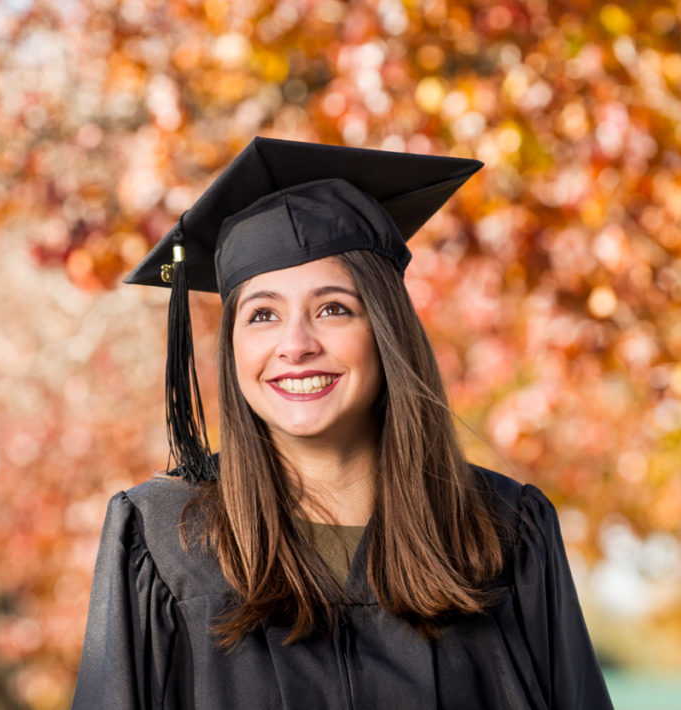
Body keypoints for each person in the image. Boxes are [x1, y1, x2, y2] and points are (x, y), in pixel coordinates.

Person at [71, 138, 613, 709]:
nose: (295, 345)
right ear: (231, 348)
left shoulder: (504, 531)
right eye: (262, 314)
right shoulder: (162, 541)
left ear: (386, 330)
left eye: (334, 308)